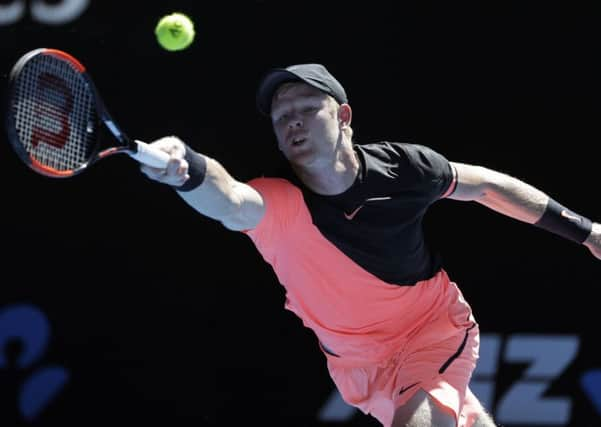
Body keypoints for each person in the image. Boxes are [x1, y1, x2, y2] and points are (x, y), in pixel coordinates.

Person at [140, 63, 601, 427]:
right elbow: (230, 198)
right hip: (356, 367)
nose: (292, 121)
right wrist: (189, 170)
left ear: (343, 116)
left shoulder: (404, 168)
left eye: (306, 108)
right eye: (282, 117)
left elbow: (487, 186)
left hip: (430, 329)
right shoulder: (280, 203)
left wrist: (586, 232)